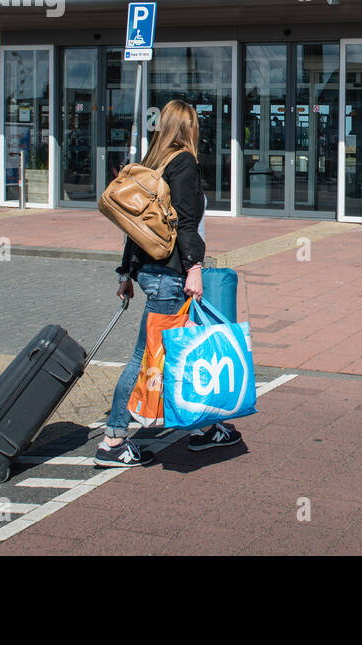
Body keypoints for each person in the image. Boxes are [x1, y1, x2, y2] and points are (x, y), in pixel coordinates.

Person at [98, 99, 241, 467]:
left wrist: (127, 273)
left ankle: (204, 428)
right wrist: (194, 268)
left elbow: (135, 228)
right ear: (188, 128)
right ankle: (113, 440)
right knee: (147, 357)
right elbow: (187, 223)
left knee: (180, 352)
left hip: (149, 273)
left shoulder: (150, 165)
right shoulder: (184, 164)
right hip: (171, 276)